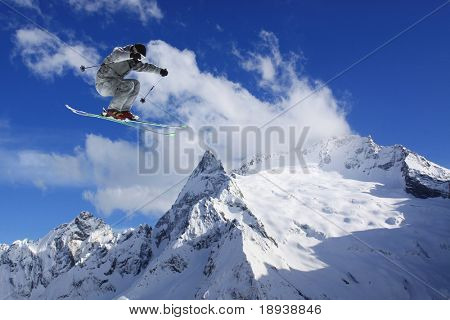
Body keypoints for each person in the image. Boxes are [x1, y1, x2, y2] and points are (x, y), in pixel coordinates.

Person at [95, 43, 168, 120]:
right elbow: (118, 56)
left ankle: (124, 111)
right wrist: (131, 55)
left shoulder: (133, 62)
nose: (139, 59)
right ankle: (112, 110)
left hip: (113, 84)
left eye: (141, 58)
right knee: (128, 85)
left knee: (136, 84)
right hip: (103, 83)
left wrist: (160, 71)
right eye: (139, 57)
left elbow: (145, 67)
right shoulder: (119, 51)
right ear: (134, 50)